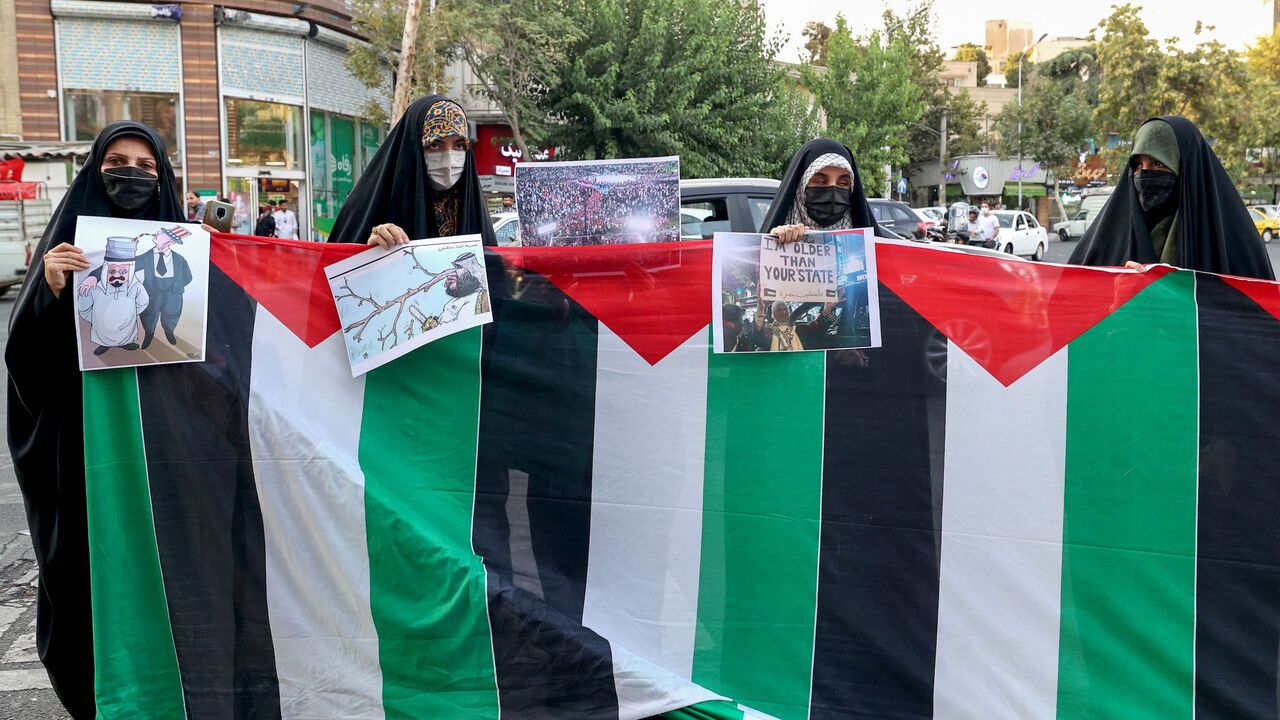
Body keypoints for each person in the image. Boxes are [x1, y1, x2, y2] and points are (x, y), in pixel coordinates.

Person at [6, 121, 184, 720]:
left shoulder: (186, 250)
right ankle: (92, 697)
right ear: (93, 168)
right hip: (84, 459)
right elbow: (25, 369)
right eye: (117, 160)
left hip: (163, 457)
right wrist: (50, 296)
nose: (130, 173)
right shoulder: (63, 256)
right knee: (85, 578)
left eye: (146, 164)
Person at [1069, 116, 1274, 280]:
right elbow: (1073, 308)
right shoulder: (1106, 241)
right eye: (1139, 165)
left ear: (1187, 169)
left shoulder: (1236, 244)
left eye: (1158, 164)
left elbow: (1254, 322)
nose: (1145, 175)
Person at [328, 95, 495, 246]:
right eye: (435, 145)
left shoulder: (471, 206)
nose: (449, 160)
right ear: (411, 147)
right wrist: (372, 248)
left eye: (459, 145)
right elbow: (336, 269)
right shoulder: (366, 203)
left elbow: (497, 272)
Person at [759, 138, 895, 243]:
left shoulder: (867, 248)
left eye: (843, 183)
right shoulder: (780, 236)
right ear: (801, 186)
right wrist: (774, 243)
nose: (833, 192)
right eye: (820, 181)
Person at [77, 237, 149, 355]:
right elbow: (83, 307)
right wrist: (96, 318)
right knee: (103, 336)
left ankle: (126, 342)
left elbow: (143, 302)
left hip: (127, 328)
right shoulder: (96, 288)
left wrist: (130, 312)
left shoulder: (135, 286)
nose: (117, 275)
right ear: (106, 270)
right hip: (101, 330)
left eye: (122, 272)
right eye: (112, 271)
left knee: (126, 336)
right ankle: (104, 344)